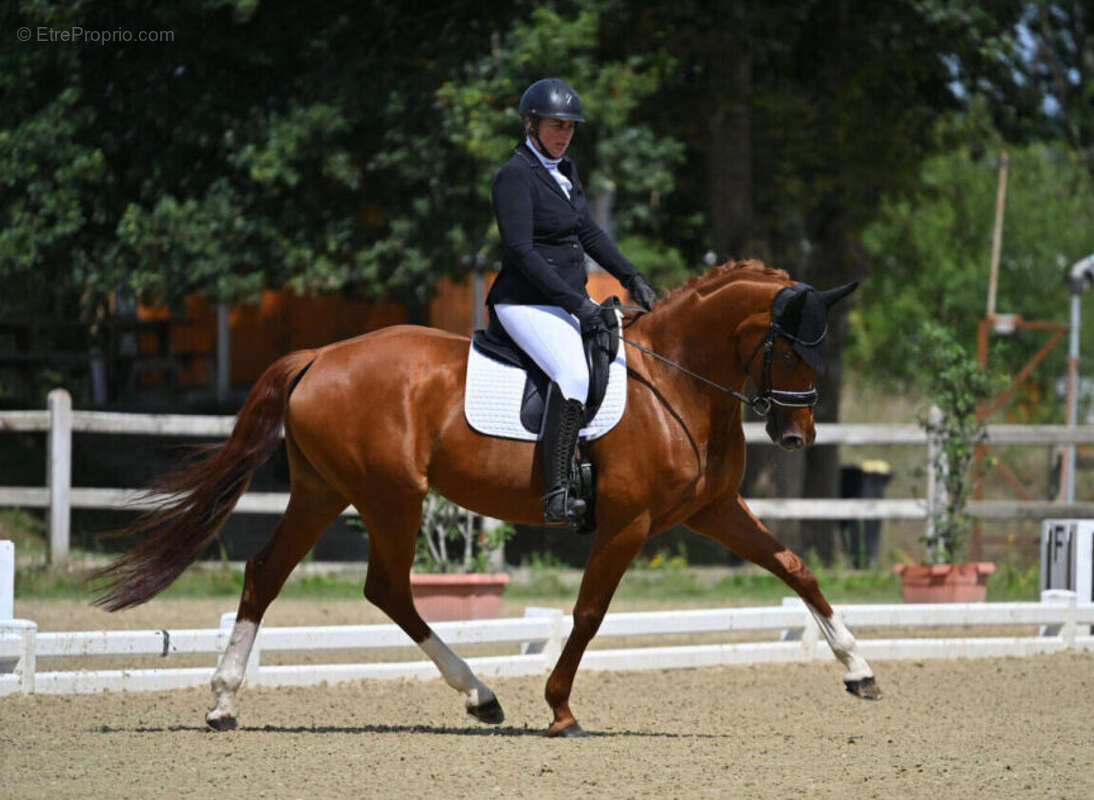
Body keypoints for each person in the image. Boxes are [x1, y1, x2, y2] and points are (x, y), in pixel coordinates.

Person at [488, 77, 658, 529]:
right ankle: (556, 491)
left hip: (562, 302)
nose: (563, 134)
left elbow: (589, 234)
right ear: (532, 124)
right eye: (555, 125)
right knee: (573, 373)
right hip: (523, 304)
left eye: (570, 127)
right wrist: (578, 304)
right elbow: (522, 253)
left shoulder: (567, 172)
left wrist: (631, 276)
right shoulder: (514, 176)